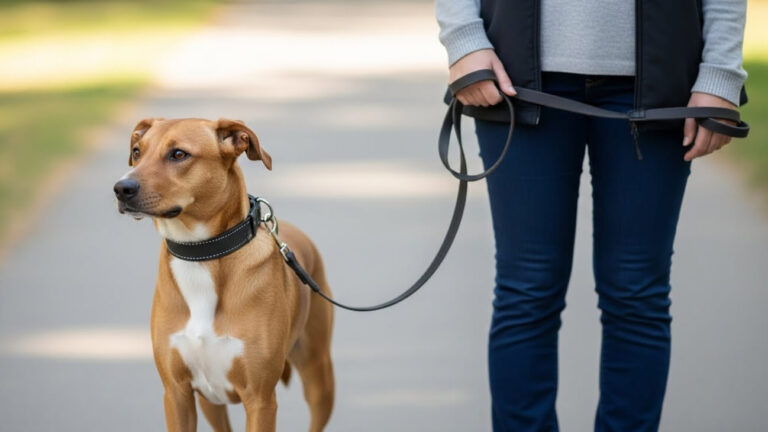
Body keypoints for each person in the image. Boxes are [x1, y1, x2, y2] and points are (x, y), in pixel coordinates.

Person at [435, 1, 747, 431]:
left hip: (659, 79)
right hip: (516, 75)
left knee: (637, 293)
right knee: (527, 290)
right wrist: (464, 40)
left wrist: (721, 72)